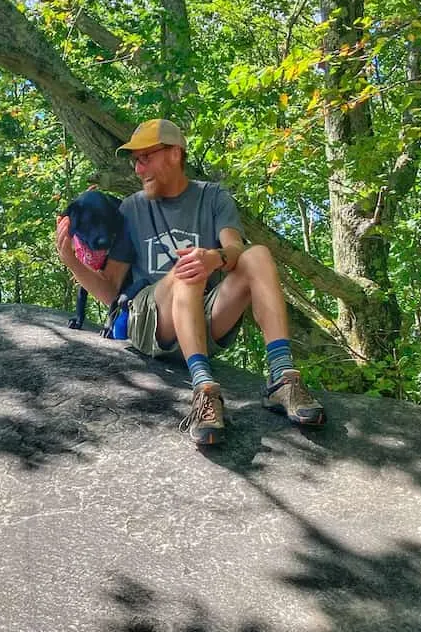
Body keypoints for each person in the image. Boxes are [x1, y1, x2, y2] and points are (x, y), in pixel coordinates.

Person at [55, 118, 325, 445]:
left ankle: (282, 379)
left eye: (146, 158)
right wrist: (70, 258)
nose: (138, 169)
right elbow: (111, 291)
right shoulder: (131, 209)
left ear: (174, 154)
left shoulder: (213, 197)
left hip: (203, 318)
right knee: (186, 270)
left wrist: (215, 258)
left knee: (258, 255)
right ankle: (204, 390)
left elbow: (235, 248)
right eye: (135, 161)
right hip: (153, 321)